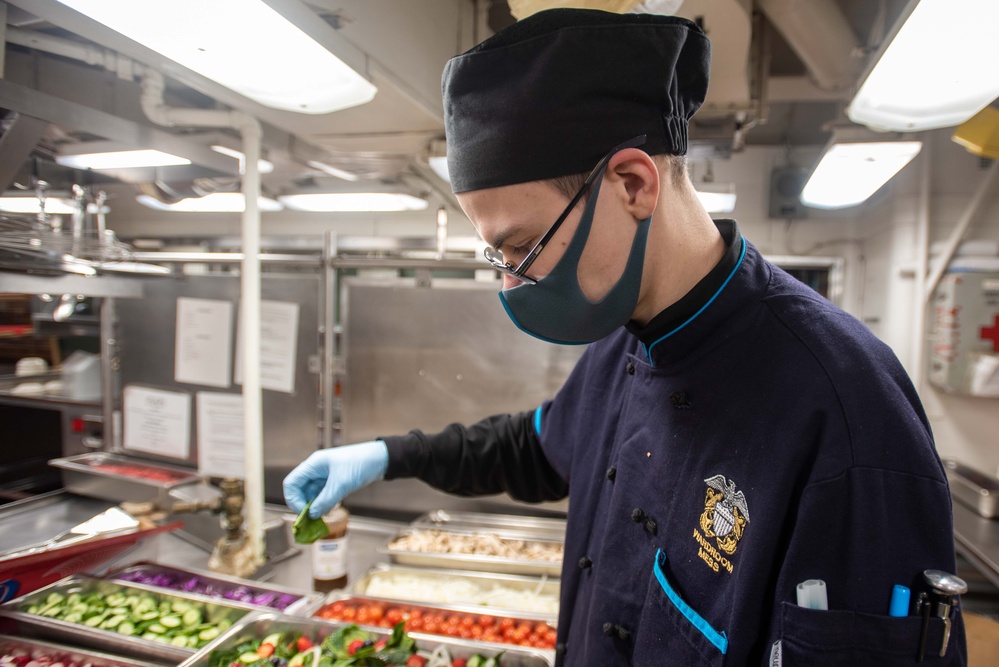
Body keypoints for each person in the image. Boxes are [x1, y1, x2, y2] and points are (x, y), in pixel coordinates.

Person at [284, 8, 966, 666]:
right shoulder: (626, 338)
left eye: (520, 247)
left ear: (633, 182)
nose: (511, 285)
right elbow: (538, 446)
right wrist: (384, 454)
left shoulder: (841, 406)